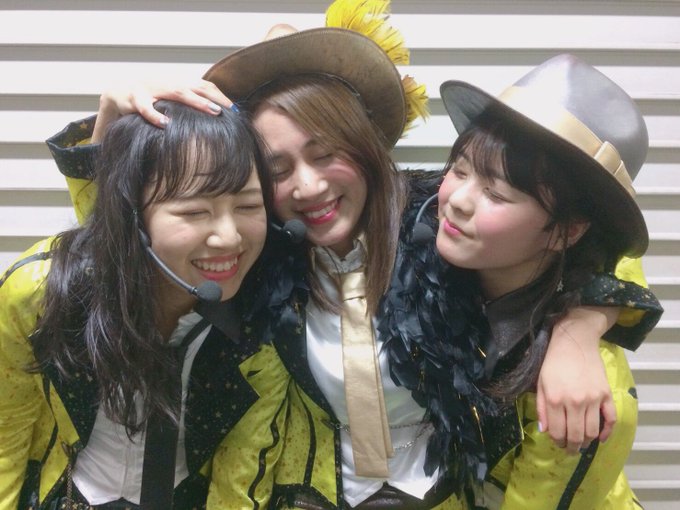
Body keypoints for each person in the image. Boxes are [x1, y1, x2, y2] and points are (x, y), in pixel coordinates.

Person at [42, 2, 661, 508]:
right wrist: (105, 134)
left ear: (364, 147)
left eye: (325, 153)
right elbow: (133, 242)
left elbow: (584, 248)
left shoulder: (439, 220)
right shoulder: (251, 254)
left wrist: (580, 329)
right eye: (277, 169)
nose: (308, 187)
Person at [0, 101, 291, 509]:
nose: (229, 238)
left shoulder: (263, 321)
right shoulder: (41, 295)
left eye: (248, 206)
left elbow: (241, 476)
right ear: (131, 215)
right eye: (194, 211)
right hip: (69, 493)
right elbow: (6, 433)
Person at [430, 54, 663, 508]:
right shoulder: (443, 241)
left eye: (496, 193)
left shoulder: (579, 402)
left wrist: (577, 335)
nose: (457, 200)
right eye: (459, 169)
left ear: (568, 230)